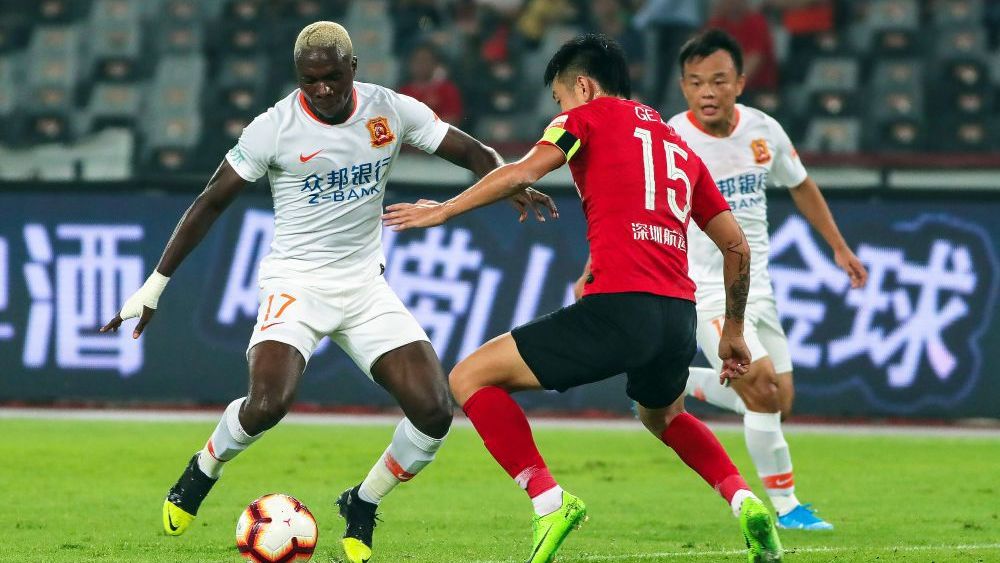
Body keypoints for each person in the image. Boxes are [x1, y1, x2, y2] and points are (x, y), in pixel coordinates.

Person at [99, 21, 556, 563]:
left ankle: (362, 501)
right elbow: (210, 202)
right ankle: (203, 469)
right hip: (296, 283)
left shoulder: (389, 110)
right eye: (309, 80)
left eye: (332, 77)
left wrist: (510, 181)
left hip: (364, 288)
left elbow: (472, 151)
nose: (322, 89)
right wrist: (155, 285)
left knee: (434, 411)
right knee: (268, 404)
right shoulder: (273, 128)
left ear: (352, 68)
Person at [382, 33, 783, 563]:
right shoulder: (678, 144)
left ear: (584, 87)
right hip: (677, 316)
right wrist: (732, 330)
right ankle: (745, 501)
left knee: (468, 377)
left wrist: (441, 210)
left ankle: (549, 502)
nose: (560, 110)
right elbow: (736, 245)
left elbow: (523, 170)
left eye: (560, 98)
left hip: (619, 307)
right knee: (663, 416)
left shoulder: (584, 119)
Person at [667, 28, 866, 529]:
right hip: (705, 290)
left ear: (740, 82)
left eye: (718, 81)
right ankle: (786, 507)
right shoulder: (673, 138)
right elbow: (638, 202)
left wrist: (839, 246)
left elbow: (801, 185)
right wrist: (595, 266)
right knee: (760, 389)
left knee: (780, 400)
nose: (707, 92)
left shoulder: (764, 130)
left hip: (758, 288)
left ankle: (675, 382)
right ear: (683, 87)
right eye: (695, 82)